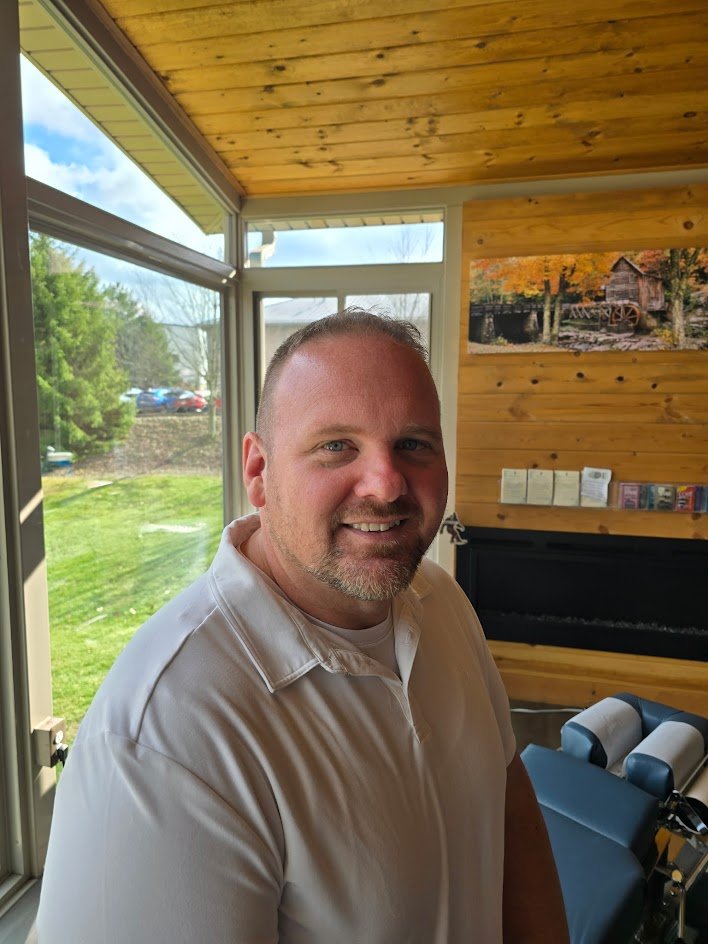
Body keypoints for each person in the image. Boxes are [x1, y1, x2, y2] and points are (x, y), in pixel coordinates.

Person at [37, 309, 568, 943]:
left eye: (414, 444)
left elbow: (510, 813)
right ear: (258, 472)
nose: (386, 483)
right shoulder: (165, 740)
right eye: (336, 445)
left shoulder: (444, 603)